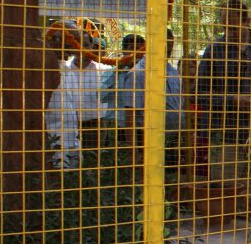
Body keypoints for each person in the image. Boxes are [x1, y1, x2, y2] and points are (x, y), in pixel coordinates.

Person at [195, 0, 251, 146]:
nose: (229, 32)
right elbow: (199, 93)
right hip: (224, 135)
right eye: (225, 27)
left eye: (233, 28)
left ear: (247, 21)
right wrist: (233, 99)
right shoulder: (214, 50)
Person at [45, 21, 110, 167]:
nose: (74, 51)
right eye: (70, 46)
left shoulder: (64, 67)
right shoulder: (44, 66)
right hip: (53, 142)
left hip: (73, 138)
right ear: (55, 40)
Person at [120, 28, 183, 163]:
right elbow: (130, 116)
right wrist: (134, 151)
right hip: (149, 141)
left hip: (174, 141)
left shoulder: (173, 71)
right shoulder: (138, 74)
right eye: (165, 45)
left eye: (171, 47)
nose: (168, 51)